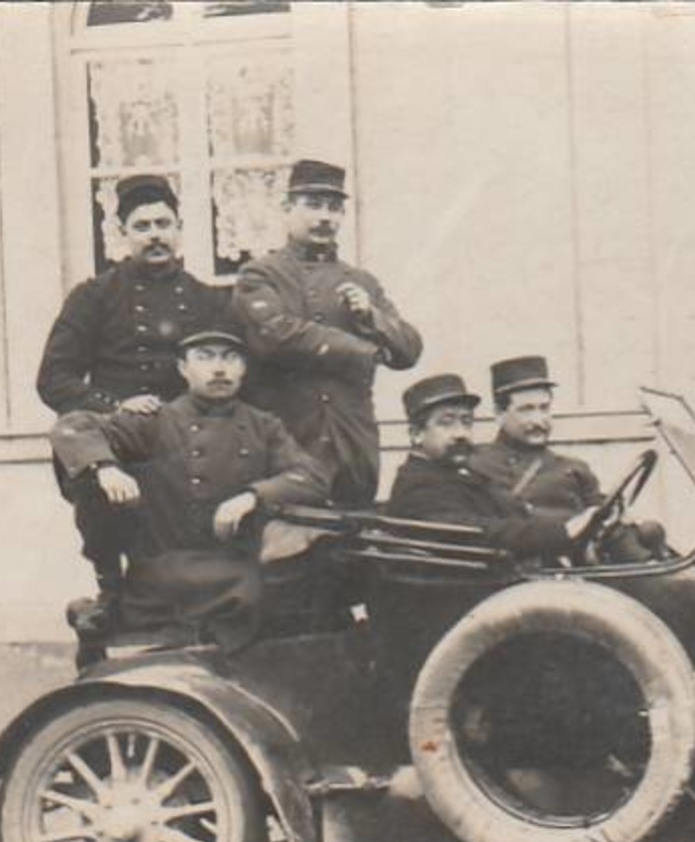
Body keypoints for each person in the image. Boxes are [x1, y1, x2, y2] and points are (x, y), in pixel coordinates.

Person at [51, 328, 328, 655]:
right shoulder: (156, 420)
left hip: (236, 562)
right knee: (258, 590)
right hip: (166, 570)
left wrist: (252, 496)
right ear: (183, 369)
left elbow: (312, 476)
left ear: (244, 369)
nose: (220, 369)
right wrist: (104, 467)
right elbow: (73, 426)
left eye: (230, 358)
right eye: (205, 358)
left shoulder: (264, 425)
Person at [37, 174, 226, 628]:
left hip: (183, 436)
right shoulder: (94, 297)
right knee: (97, 477)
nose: (156, 234)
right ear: (121, 233)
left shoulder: (206, 299)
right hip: (114, 437)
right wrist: (113, 407)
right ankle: (110, 587)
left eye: (164, 223)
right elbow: (54, 379)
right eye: (142, 226)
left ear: (179, 227)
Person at [232, 159, 424, 507]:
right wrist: (363, 349)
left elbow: (409, 350)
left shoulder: (363, 282)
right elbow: (279, 335)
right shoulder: (260, 275)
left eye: (334, 208)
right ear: (287, 208)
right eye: (313, 205)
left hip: (352, 441)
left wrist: (372, 317)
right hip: (288, 438)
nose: (325, 217)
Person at [384, 374, 596, 560]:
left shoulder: (457, 474)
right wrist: (563, 531)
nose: (460, 433)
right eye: (446, 422)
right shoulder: (419, 485)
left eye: (466, 422)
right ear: (416, 434)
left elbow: (512, 513)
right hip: (462, 594)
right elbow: (477, 532)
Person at [470, 356, 603, 522]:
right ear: (499, 414)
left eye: (544, 408)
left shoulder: (575, 469)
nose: (539, 420)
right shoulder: (477, 466)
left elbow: (605, 522)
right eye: (526, 410)